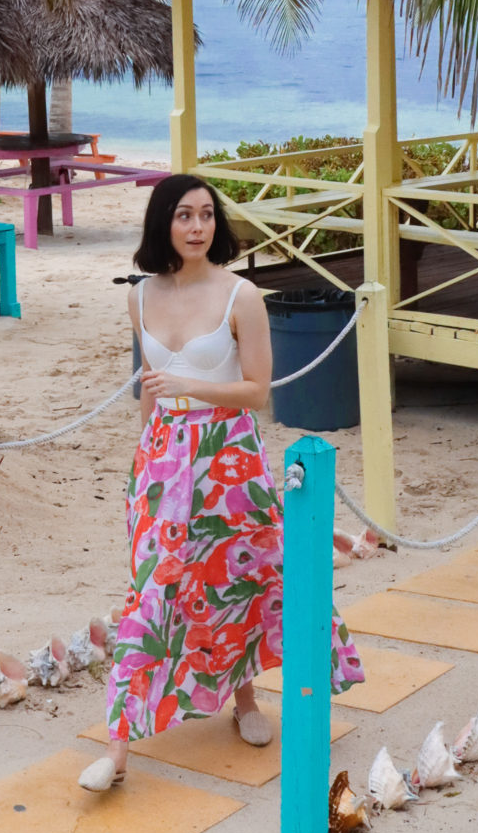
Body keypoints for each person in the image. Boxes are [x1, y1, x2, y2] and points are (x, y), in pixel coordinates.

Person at [78, 174, 365, 792]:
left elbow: (258, 390)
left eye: (207, 215)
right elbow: (150, 390)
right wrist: (145, 458)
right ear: (164, 223)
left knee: (237, 579)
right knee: (153, 591)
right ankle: (118, 749)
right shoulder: (140, 296)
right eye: (184, 215)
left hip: (228, 456)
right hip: (160, 460)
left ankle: (247, 700)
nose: (198, 227)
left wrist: (191, 387)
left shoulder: (243, 296)